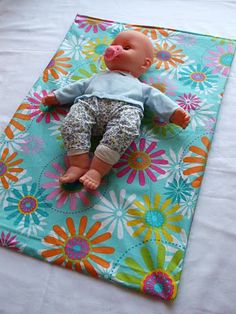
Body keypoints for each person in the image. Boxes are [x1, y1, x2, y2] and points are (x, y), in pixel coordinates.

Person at [42, 30, 190, 190]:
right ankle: (78, 164)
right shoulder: (97, 77)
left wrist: (174, 113)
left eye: (126, 48)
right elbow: (76, 87)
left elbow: (157, 99)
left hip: (124, 110)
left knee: (125, 128)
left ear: (145, 64)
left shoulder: (140, 86)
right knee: (73, 121)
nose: (115, 49)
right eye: (114, 45)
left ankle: (97, 169)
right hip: (89, 105)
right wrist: (57, 96)